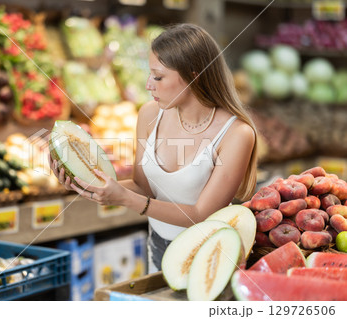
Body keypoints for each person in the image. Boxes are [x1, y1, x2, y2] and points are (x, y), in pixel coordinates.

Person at [49, 23, 258, 273]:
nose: (149, 85)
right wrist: (84, 182)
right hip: (157, 247)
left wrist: (126, 199)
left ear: (194, 75)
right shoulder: (149, 114)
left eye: (158, 76)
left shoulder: (236, 134)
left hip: (209, 256)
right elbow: (142, 187)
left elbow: (200, 215)